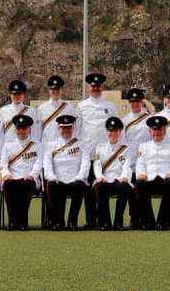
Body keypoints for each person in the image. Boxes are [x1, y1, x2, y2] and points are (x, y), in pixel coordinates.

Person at [78, 72, 116, 226]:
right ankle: (90, 220)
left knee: (102, 188)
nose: (95, 88)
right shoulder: (81, 106)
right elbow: (77, 130)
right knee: (88, 190)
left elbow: (116, 130)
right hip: (88, 154)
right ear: (88, 88)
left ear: (102, 87)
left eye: (98, 86)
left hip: (105, 155)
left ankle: (102, 219)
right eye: (93, 86)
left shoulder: (110, 105)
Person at [42, 113, 89, 231]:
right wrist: (51, 176)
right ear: (58, 129)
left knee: (80, 186)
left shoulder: (81, 145)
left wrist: (80, 176)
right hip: (58, 179)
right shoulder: (50, 145)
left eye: (68, 127)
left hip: (75, 179)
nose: (66, 130)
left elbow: (85, 163)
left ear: (73, 128)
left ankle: (72, 222)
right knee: (52, 185)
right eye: (63, 128)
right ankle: (58, 221)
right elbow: (47, 164)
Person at [134, 115, 170, 230]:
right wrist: (141, 173)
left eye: (159, 129)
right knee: (139, 184)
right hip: (149, 179)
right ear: (150, 132)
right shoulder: (143, 146)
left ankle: (162, 221)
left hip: (165, 179)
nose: (157, 132)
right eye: (154, 129)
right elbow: (140, 163)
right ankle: (148, 221)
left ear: (164, 131)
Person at [0, 113, 42, 230]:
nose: (21, 131)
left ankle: (23, 222)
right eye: (18, 128)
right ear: (15, 130)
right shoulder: (8, 145)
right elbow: (3, 164)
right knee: (8, 185)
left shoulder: (37, 145)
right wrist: (6, 174)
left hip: (30, 178)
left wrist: (32, 175)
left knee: (26, 185)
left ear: (29, 130)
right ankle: (12, 222)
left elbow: (38, 164)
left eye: (24, 128)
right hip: (12, 177)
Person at [92, 116, 134, 230]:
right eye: (111, 130)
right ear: (107, 131)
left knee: (123, 187)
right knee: (100, 187)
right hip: (105, 178)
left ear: (120, 132)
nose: (113, 133)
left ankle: (118, 222)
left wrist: (124, 177)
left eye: (116, 131)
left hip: (119, 178)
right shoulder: (99, 147)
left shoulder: (126, 148)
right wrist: (99, 176)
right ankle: (106, 222)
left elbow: (127, 165)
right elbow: (97, 164)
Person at [0, 79, 39, 155]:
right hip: (8, 151)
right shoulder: (3, 110)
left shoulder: (31, 111)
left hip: (25, 151)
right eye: (14, 94)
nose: (16, 96)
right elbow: (0, 134)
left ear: (23, 95)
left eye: (19, 94)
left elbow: (34, 133)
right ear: (10, 95)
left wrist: (35, 151)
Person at [37, 75, 81, 147]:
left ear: (62, 89)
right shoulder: (41, 108)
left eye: (58, 89)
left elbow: (74, 128)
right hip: (47, 146)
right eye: (53, 89)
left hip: (64, 146)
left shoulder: (69, 107)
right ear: (49, 90)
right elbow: (38, 131)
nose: (55, 91)